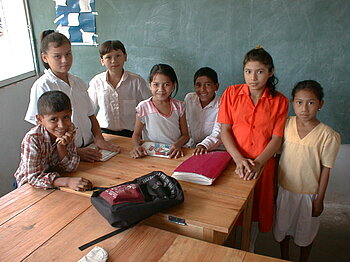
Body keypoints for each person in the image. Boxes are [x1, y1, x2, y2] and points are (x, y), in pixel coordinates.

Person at [217, 46, 289, 251]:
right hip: (234, 161)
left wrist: (257, 163)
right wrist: (240, 160)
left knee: (256, 209)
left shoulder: (280, 101)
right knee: (230, 208)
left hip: (262, 165)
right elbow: (225, 131)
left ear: (270, 72)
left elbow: (276, 140)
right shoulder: (231, 93)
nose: (253, 77)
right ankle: (228, 247)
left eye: (259, 71)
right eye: (248, 71)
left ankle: (249, 247)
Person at [25, 30, 119, 162]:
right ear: (45, 57)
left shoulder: (78, 82)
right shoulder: (42, 86)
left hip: (90, 147)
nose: (65, 60)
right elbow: (43, 131)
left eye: (68, 54)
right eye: (57, 56)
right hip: (65, 157)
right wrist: (76, 152)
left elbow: (90, 115)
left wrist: (99, 138)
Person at [273, 80, 340, 262]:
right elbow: (278, 156)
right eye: (299, 102)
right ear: (292, 102)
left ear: (320, 104)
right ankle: (284, 256)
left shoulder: (327, 135)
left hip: (309, 194)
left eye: (311, 102)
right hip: (286, 189)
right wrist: (274, 187)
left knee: (306, 231)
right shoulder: (286, 124)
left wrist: (320, 199)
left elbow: (326, 169)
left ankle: (304, 259)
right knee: (283, 227)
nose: (304, 108)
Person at [15, 91, 92, 191]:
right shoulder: (33, 138)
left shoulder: (69, 129)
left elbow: (70, 167)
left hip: (55, 180)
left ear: (71, 113)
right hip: (28, 187)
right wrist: (67, 182)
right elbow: (33, 178)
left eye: (66, 117)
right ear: (39, 119)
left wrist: (61, 146)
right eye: (53, 119)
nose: (62, 125)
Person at [88, 40, 151, 137]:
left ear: (125, 57)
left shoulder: (137, 81)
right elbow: (89, 109)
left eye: (118, 56)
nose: (114, 61)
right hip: (104, 133)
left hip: (131, 134)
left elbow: (149, 106)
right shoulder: (96, 82)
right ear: (102, 61)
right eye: (108, 57)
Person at [130, 64, 189, 159]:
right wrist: (136, 146)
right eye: (156, 84)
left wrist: (177, 145)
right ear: (150, 85)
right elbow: (136, 135)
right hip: (151, 155)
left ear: (173, 85)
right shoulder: (143, 107)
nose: (161, 89)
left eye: (166, 84)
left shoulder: (179, 106)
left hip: (174, 153)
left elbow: (185, 135)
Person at [184, 67, 223, 155]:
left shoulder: (222, 104)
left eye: (208, 85)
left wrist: (203, 145)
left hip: (216, 150)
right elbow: (186, 125)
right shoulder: (190, 98)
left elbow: (218, 132)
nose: (202, 89)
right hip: (193, 148)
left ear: (216, 86)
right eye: (198, 85)